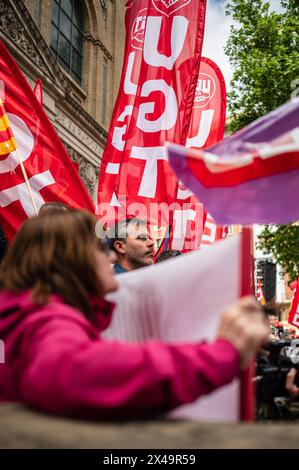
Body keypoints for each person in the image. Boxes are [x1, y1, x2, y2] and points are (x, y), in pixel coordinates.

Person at [0, 210, 268, 420]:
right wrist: (220, 354)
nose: (111, 258)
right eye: (100, 249)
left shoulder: (40, 313)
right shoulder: (47, 319)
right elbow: (74, 371)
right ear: (73, 259)